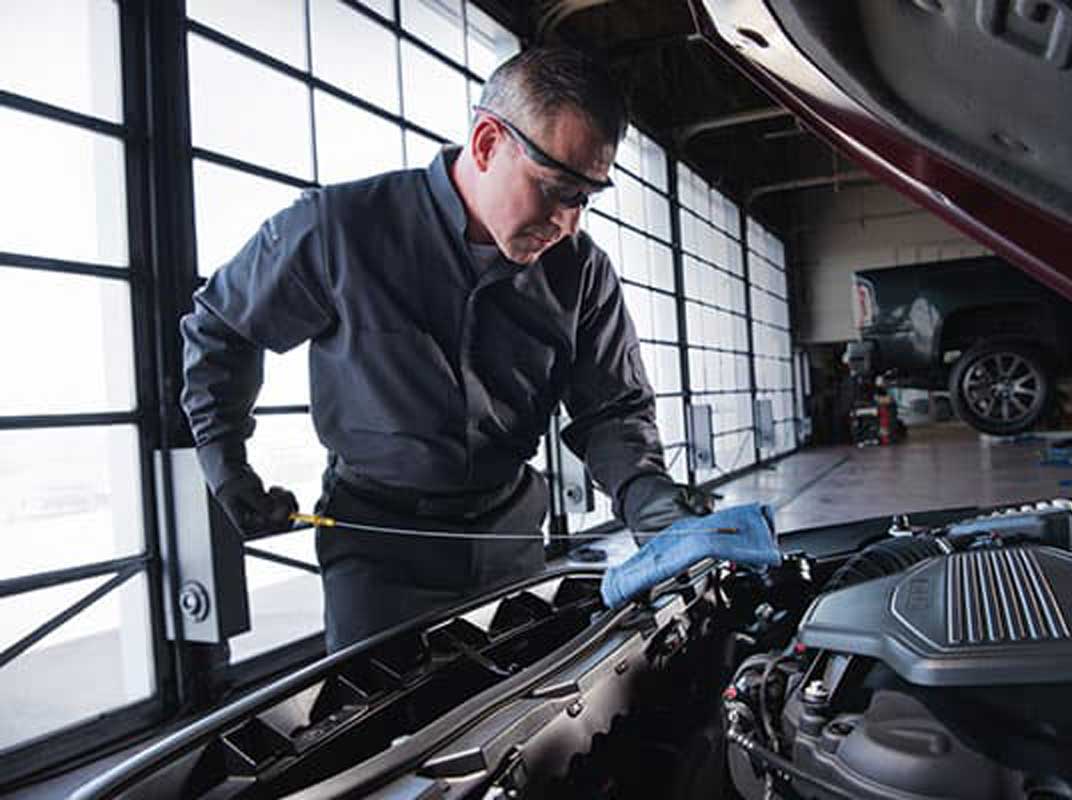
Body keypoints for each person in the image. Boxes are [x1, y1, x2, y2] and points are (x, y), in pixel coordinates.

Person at [180, 47, 718, 653]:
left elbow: (612, 412)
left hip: (510, 545)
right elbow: (224, 327)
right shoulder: (340, 232)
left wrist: (645, 494)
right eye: (557, 189)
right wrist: (225, 465)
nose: (568, 223)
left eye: (586, 197)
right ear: (487, 143)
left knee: (522, 728)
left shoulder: (582, 273)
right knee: (384, 738)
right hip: (378, 557)